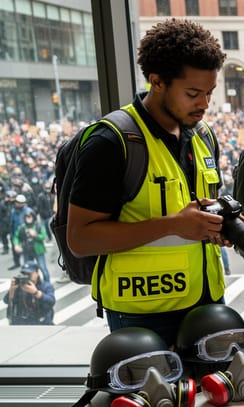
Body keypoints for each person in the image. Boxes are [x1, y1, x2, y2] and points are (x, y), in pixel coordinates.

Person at [66, 19, 228, 344]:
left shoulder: (204, 135)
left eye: (210, 93)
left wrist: (218, 225)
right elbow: (80, 239)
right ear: (157, 81)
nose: (205, 104)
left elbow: (198, 209)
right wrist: (172, 225)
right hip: (142, 312)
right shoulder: (111, 142)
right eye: (193, 93)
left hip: (207, 301)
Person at [12, 209, 51, 283]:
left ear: (33, 217)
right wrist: (16, 245)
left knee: (43, 268)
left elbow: (44, 236)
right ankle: (30, 284)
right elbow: (16, 237)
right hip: (26, 251)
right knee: (27, 270)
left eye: (30, 217)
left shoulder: (38, 226)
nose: (28, 218)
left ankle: (47, 284)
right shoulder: (22, 227)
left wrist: (35, 235)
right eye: (27, 217)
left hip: (38, 250)